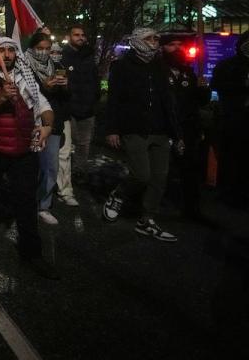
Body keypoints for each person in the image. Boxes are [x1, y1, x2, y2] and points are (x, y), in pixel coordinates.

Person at [0, 37, 59, 279]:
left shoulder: (25, 79)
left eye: (11, 50)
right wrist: (1, 98)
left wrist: (48, 126)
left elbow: (43, 105)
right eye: (2, 50)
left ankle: (32, 253)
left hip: (23, 151)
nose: (7, 54)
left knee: (26, 201)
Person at [103, 28, 181, 242]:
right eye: (149, 38)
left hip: (160, 131)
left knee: (159, 178)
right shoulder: (121, 67)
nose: (154, 42)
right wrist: (112, 129)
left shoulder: (160, 66)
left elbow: (168, 102)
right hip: (134, 129)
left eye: (156, 38)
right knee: (141, 175)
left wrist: (176, 132)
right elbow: (114, 100)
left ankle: (147, 219)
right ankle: (118, 195)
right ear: (137, 41)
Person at [161, 34, 210, 219]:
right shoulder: (158, 71)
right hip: (165, 128)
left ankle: (192, 209)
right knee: (161, 169)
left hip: (187, 128)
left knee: (189, 169)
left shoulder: (188, 72)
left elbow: (199, 102)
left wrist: (203, 88)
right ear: (163, 48)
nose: (177, 48)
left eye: (180, 45)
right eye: (172, 45)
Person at [24, 33, 70, 225]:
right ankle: (25, 203)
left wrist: (65, 87)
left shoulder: (57, 66)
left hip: (52, 126)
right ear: (32, 48)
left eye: (47, 49)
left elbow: (65, 99)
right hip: (31, 124)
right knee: (29, 167)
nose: (44, 53)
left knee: (51, 166)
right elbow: (26, 94)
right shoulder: (23, 66)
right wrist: (44, 88)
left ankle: (43, 205)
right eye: (39, 48)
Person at [56, 24, 99, 206]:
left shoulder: (89, 56)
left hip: (87, 109)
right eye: (76, 35)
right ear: (69, 36)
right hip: (70, 109)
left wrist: (94, 99)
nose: (80, 37)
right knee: (66, 147)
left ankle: (79, 175)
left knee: (84, 145)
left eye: (82, 34)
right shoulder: (63, 57)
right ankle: (64, 182)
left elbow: (95, 81)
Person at [210, 30, 249, 206]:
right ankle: (229, 193)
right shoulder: (229, 66)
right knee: (231, 157)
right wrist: (241, 86)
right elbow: (217, 85)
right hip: (233, 119)